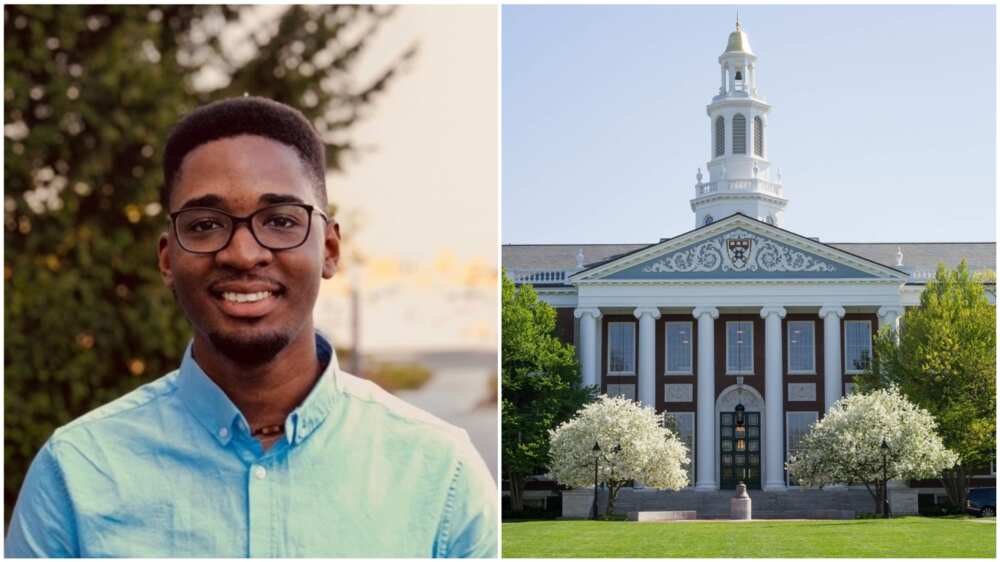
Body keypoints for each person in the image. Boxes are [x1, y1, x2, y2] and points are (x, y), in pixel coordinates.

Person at [5, 97, 498, 557]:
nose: (243, 254)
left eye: (280, 220)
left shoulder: (440, 475)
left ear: (328, 249)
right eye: (204, 224)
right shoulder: (75, 472)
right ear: (167, 259)